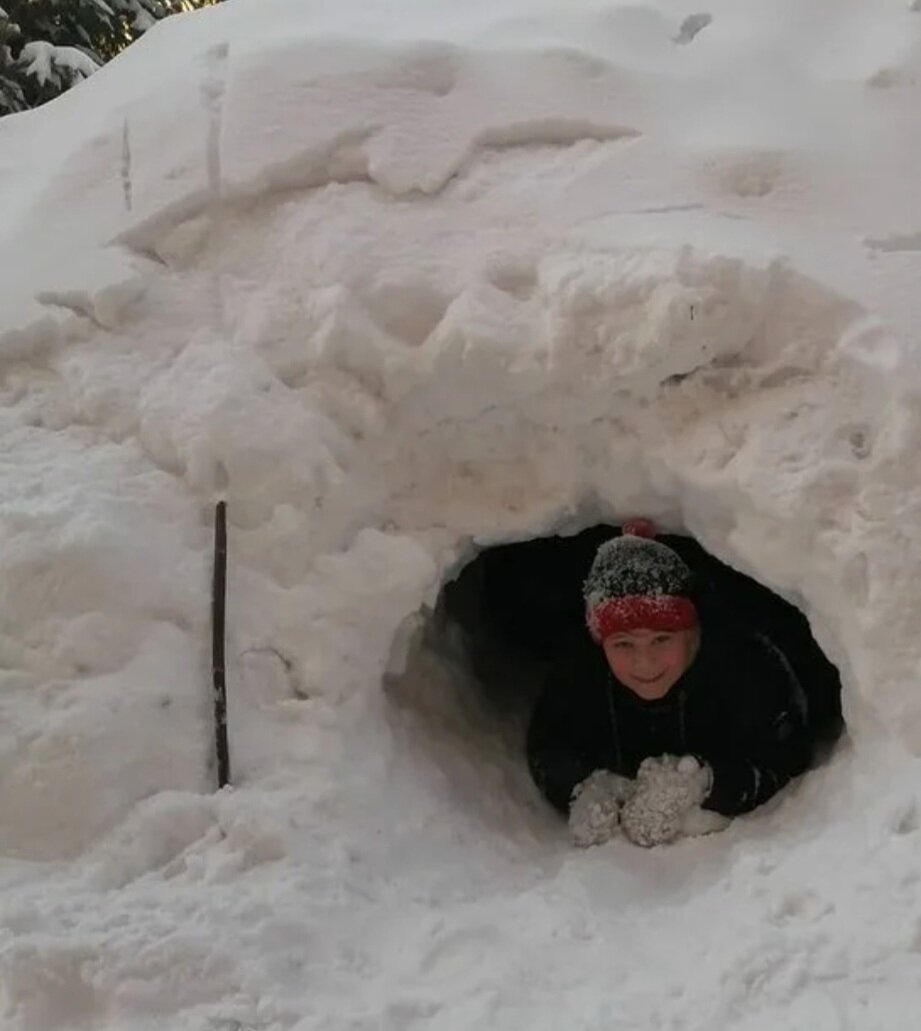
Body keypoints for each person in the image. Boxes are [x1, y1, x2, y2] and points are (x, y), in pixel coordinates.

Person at [526, 519, 816, 848]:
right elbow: (549, 743)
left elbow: (785, 756)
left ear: (693, 632)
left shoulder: (745, 664)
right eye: (623, 644)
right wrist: (585, 786)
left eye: (662, 639)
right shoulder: (583, 667)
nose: (644, 662)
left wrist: (704, 782)